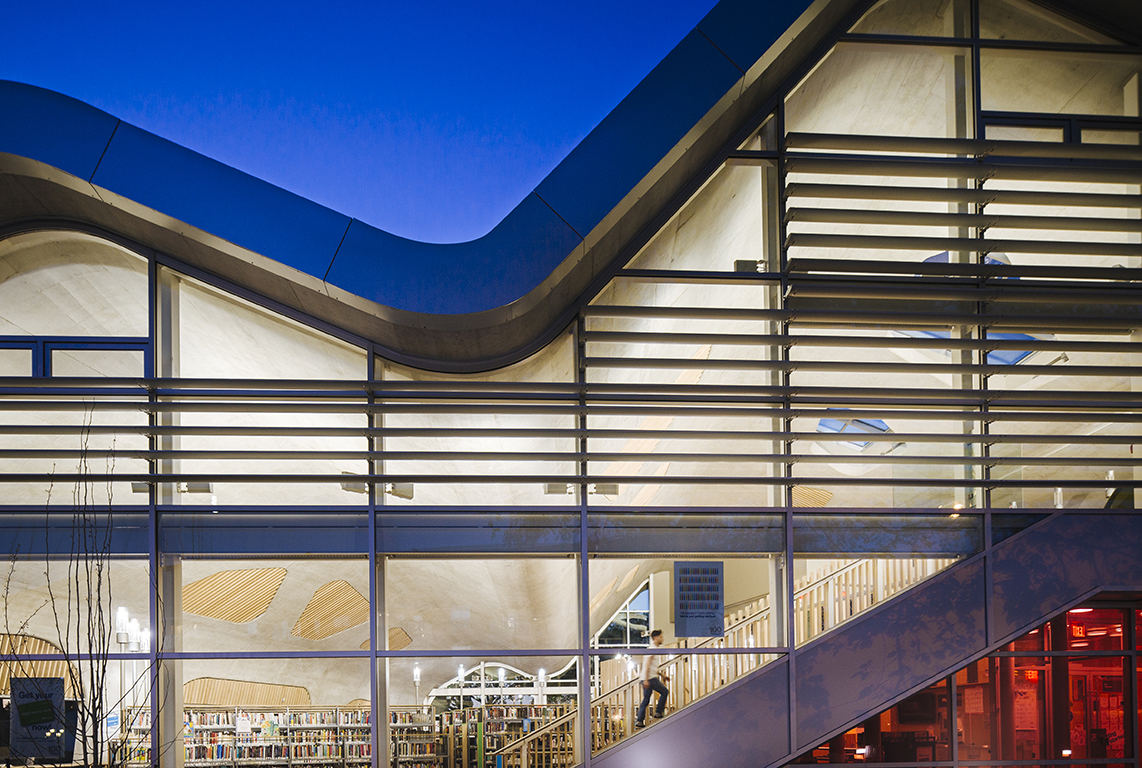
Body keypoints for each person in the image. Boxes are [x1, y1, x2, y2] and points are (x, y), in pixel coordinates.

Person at [635, 629, 669, 728]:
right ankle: (658, 712)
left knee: (646, 699)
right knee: (664, 692)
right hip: (649, 678)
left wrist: (662, 676)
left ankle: (639, 721)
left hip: (647, 677)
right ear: (655, 638)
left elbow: (652, 666)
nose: (663, 639)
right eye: (661, 637)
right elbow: (647, 665)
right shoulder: (652, 649)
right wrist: (646, 679)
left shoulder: (653, 649)